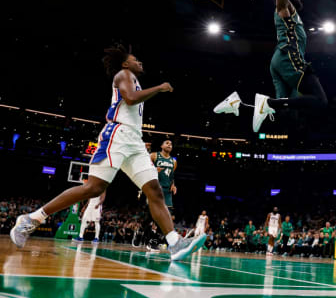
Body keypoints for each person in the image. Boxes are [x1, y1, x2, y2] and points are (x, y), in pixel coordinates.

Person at [10, 44, 205, 260]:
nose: (139, 62)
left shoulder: (133, 78)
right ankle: (32, 218)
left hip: (134, 140)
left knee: (155, 190)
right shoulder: (123, 74)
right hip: (117, 135)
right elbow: (130, 98)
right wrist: (159, 88)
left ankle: (174, 243)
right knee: (94, 187)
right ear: (124, 63)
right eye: (135, 59)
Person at [214, 0, 327, 132]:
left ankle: (237, 103)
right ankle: (265, 103)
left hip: (280, 60)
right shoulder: (284, 8)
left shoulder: (292, 15)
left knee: (286, 111)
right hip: (288, 59)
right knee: (320, 101)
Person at [150, 140, 177, 214]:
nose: (169, 145)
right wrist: (154, 169)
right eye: (167, 143)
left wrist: (173, 184)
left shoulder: (173, 161)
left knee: (167, 214)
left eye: (171, 144)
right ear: (161, 146)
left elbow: (171, 175)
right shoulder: (154, 155)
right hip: (155, 188)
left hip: (167, 191)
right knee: (152, 214)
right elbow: (145, 169)